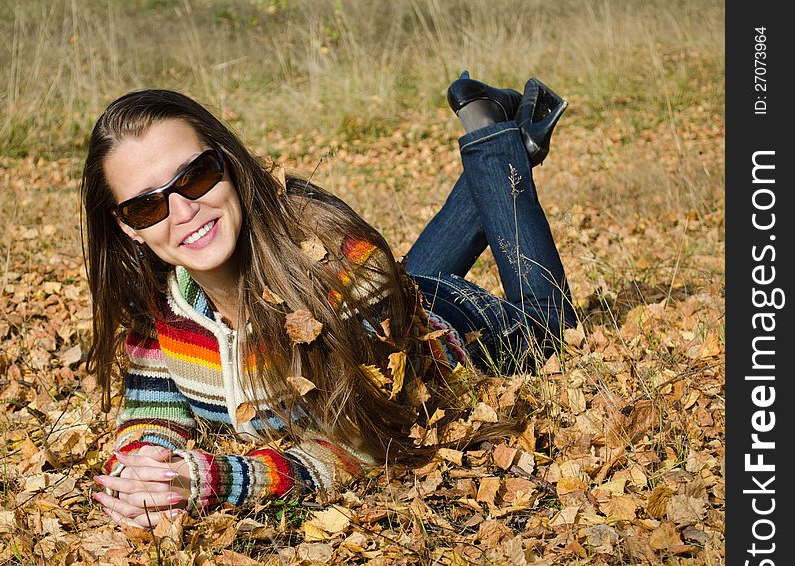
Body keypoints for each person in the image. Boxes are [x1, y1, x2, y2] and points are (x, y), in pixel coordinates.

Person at [81, 71, 577, 529]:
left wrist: (221, 480)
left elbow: (370, 443)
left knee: (549, 317)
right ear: (127, 226)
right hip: (390, 305)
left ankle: (493, 134)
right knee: (410, 280)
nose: (184, 210)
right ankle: (505, 137)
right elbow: (152, 412)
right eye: (147, 204)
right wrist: (146, 471)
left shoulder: (338, 260)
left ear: (226, 163)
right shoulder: (162, 307)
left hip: (454, 331)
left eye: (194, 176)